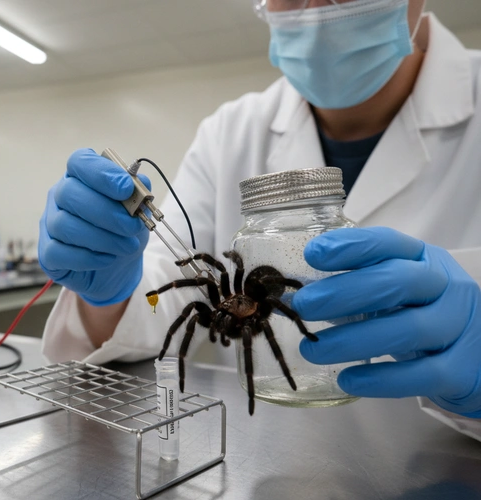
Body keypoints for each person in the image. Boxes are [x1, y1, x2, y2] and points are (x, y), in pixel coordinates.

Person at [38, 0, 481, 440]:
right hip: (265, 452)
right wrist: (109, 294)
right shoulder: (229, 131)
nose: (317, 3)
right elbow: (166, 287)